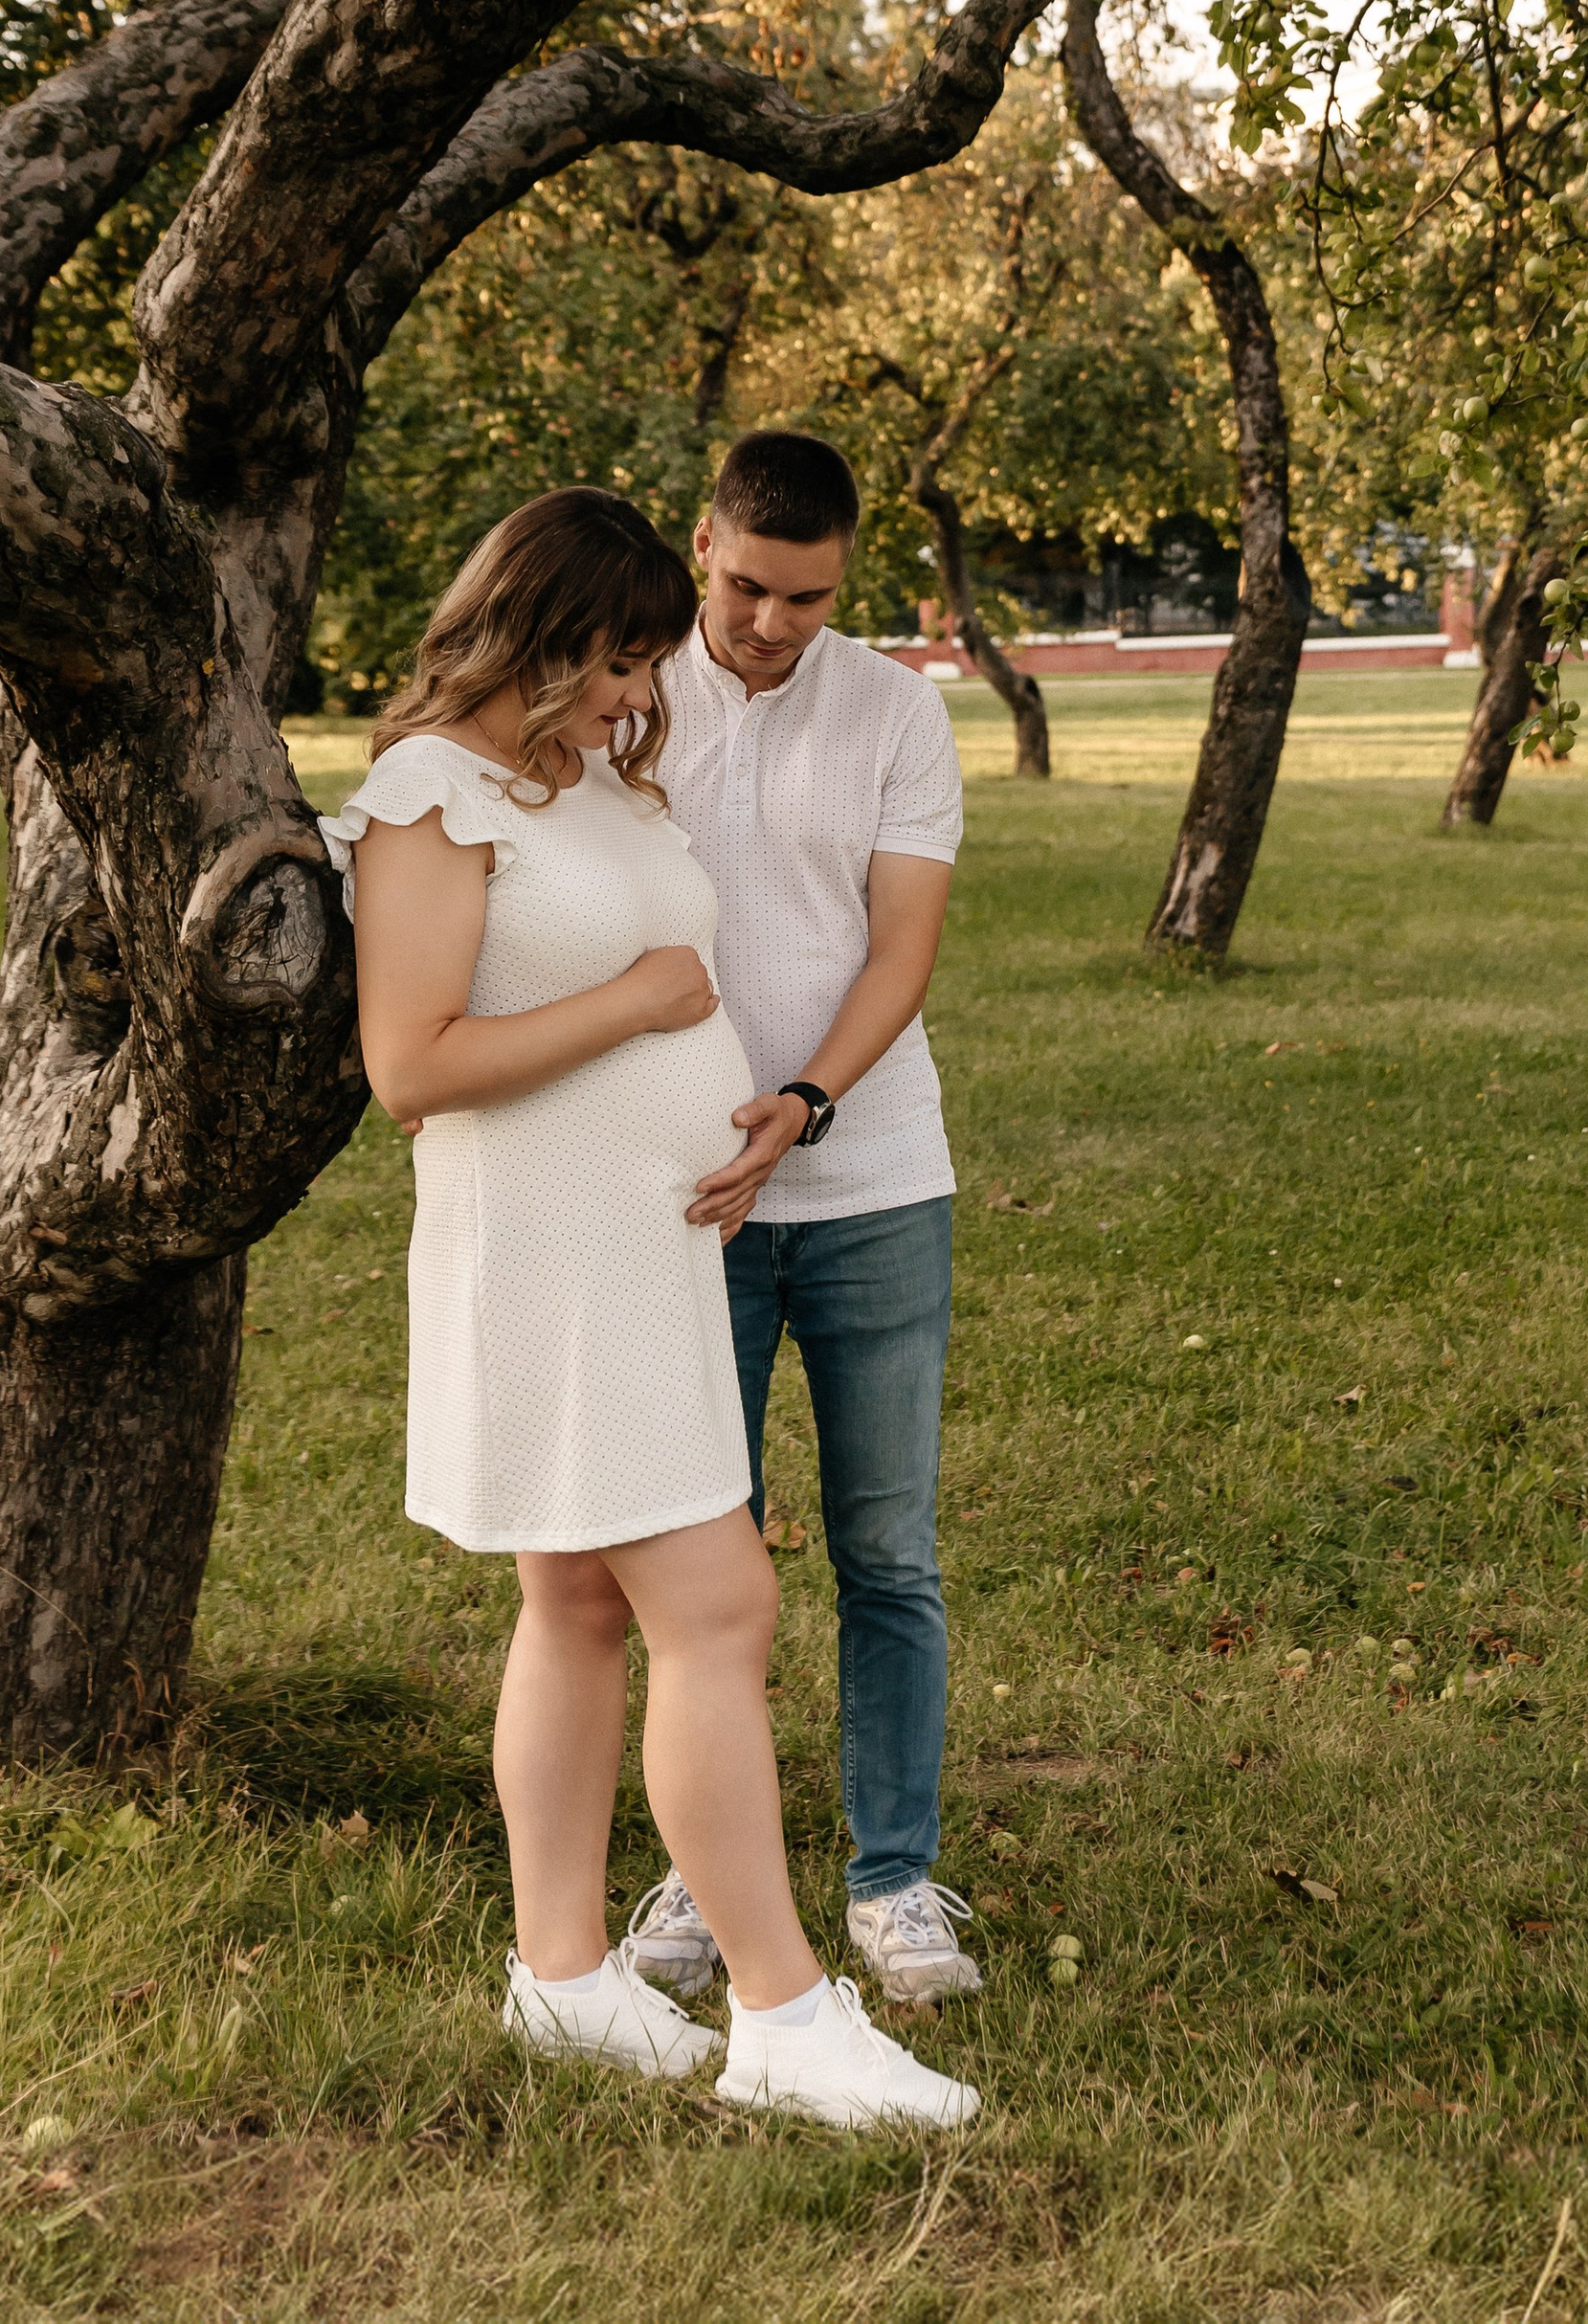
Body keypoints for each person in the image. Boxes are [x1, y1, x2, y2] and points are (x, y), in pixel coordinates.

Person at [320, 485, 975, 2134]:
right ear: (535, 636)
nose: (639, 692)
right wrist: (636, 1002)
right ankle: (783, 2013)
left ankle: (562, 1977)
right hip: (556, 1265)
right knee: (721, 1607)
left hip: (646, 1252)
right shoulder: (427, 796)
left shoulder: (585, 775)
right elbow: (411, 1065)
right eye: (616, 662)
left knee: (577, 1604)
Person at [616, 431, 982, 2014]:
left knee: (885, 1547)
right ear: (703, 543)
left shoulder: (895, 710)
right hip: (681, 1194)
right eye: (750, 586)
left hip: (873, 1181)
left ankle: (893, 1875)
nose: (771, 622)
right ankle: (710, 1874)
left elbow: (900, 947)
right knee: (703, 1561)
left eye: (807, 597)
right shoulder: (622, 695)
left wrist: (808, 1102)